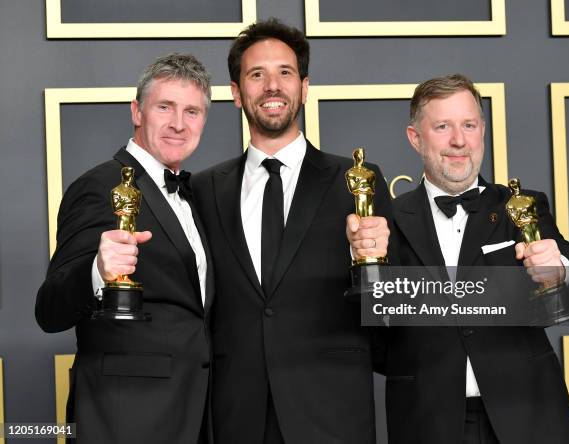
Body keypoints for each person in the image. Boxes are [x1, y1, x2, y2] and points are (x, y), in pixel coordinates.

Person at [191, 18, 391, 444]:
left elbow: (393, 308)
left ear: (304, 87)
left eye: (284, 73)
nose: (272, 86)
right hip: (236, 414)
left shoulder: (356, 179)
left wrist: (380, 263)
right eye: (256, 74)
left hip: (333, 413)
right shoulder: (203, 189)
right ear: (235, 92)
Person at [364, 74, 569, 443]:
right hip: (426, 420)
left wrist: (556, 270)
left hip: (528, 415)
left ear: (482, 129)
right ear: (415, 138)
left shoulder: (521, 205)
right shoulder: (385, 222)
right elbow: (372, 333)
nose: (458, 140)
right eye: (442, 126)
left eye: (468, 125)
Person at [36, 53, 214, 443]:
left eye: (192, 111)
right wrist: (97, 271)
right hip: (126, 418)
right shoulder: (98, 187)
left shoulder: (196, 196)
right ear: (137, 111)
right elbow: (49, 309)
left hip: (195, 414)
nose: (178, 124)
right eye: (164, 107)